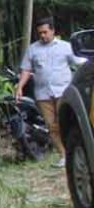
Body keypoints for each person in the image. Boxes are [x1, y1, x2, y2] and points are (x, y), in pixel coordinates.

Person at [16, 17, 88, 167]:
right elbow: (26, 70)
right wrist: (20, 87)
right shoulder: (33, 49)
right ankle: (63, 155)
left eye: (45, 32)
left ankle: (77, 151)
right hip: (43, 94)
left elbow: (80, 63)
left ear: (53, 31)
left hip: (63, 91)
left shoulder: (65, 47)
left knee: (67, 123)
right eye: (40, 33)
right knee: (52, 125)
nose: (42, 35)